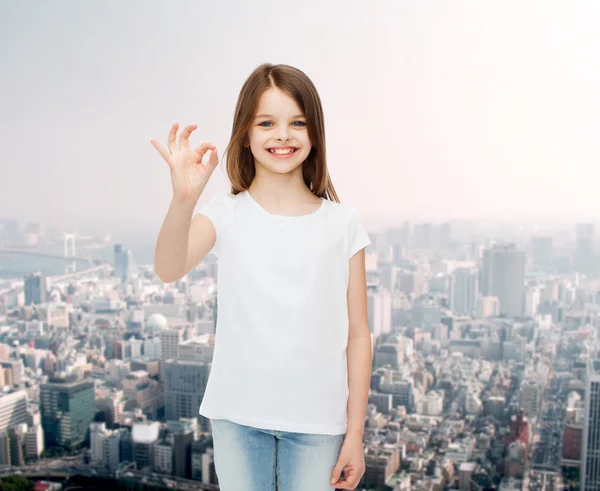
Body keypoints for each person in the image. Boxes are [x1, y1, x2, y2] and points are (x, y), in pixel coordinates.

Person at [151, 63, 372, 491]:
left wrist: (356, 434)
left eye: (297, 123)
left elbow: (358, 334)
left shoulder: (343, 222)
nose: (282, 135)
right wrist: (184, 199)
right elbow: (168, 268)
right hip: (237, 415)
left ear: (315, 133)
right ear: (246, 133)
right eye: (266, 123)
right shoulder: (226, 212)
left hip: (318, 421)